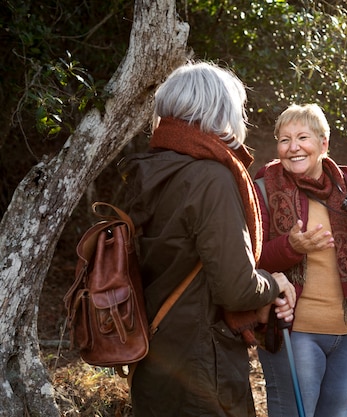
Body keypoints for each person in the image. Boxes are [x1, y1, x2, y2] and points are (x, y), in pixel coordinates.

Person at [119, 61, 296, 417]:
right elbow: (236, 287)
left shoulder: (146, 170)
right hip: (202, 368)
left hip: (152, 357)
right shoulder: (211, 177)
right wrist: (274, 282)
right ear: (218, 112)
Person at [254, 103, 347, 417]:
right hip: (296, 334)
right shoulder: (263, 191)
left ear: (324, 144)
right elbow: (251, 259)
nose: (293, 147)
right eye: (284, 139)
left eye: (303, 137)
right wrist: (292, 246)